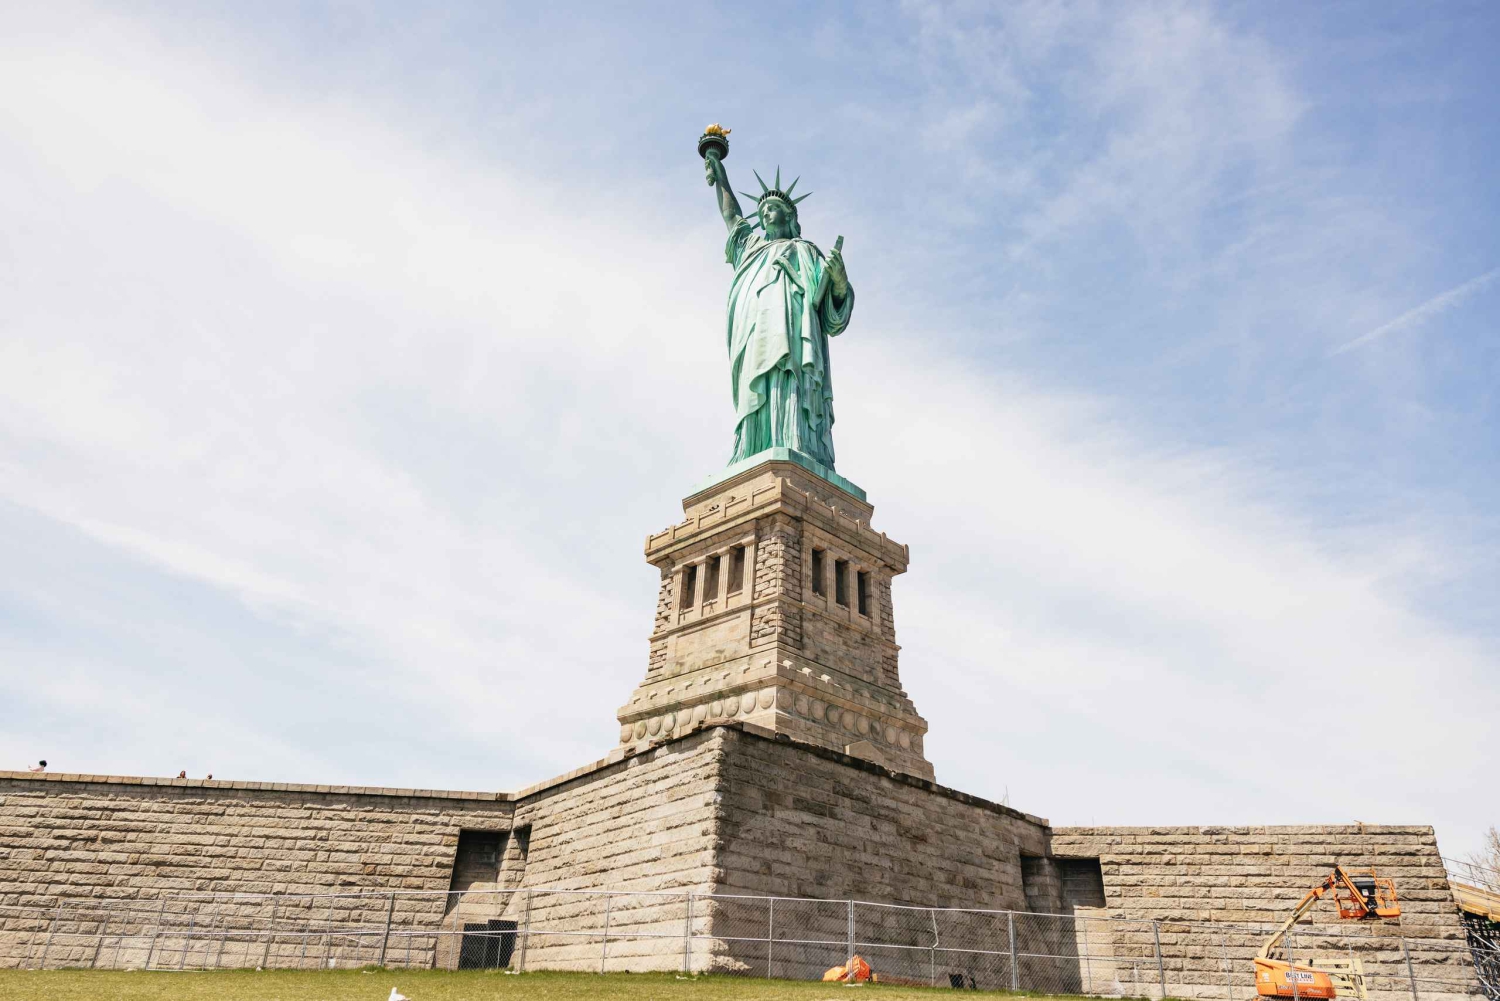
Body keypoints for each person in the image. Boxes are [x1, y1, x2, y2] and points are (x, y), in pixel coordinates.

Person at [702, 155, 853, 468]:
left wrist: (838, 282)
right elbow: (733, 219)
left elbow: (830, 316)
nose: (766, 213)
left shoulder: (806, 251)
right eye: (762, 210)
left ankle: (795, 440)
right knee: (756, 387)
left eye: (772, 208)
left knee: (789, 381)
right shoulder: (751, 250)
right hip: (755, 332)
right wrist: (721, 178)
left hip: (794, 334)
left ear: (790, 216)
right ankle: (751, 447)